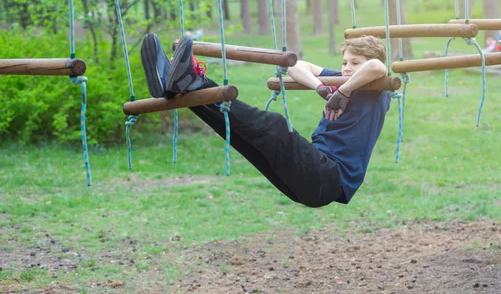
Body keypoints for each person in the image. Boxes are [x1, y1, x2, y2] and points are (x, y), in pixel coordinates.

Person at [140, 33, 391, 208]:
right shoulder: (343, 80)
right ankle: (182, 87)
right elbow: (298, 66)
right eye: (344, 62)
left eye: (354, 63)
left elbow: (377, 67)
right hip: (310, 181)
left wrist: (344, 92)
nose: (346, 68)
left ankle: (190, 80)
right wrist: (322, 89)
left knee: (275, 128)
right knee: (242, 136)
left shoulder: (376, 89)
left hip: (329, 177)